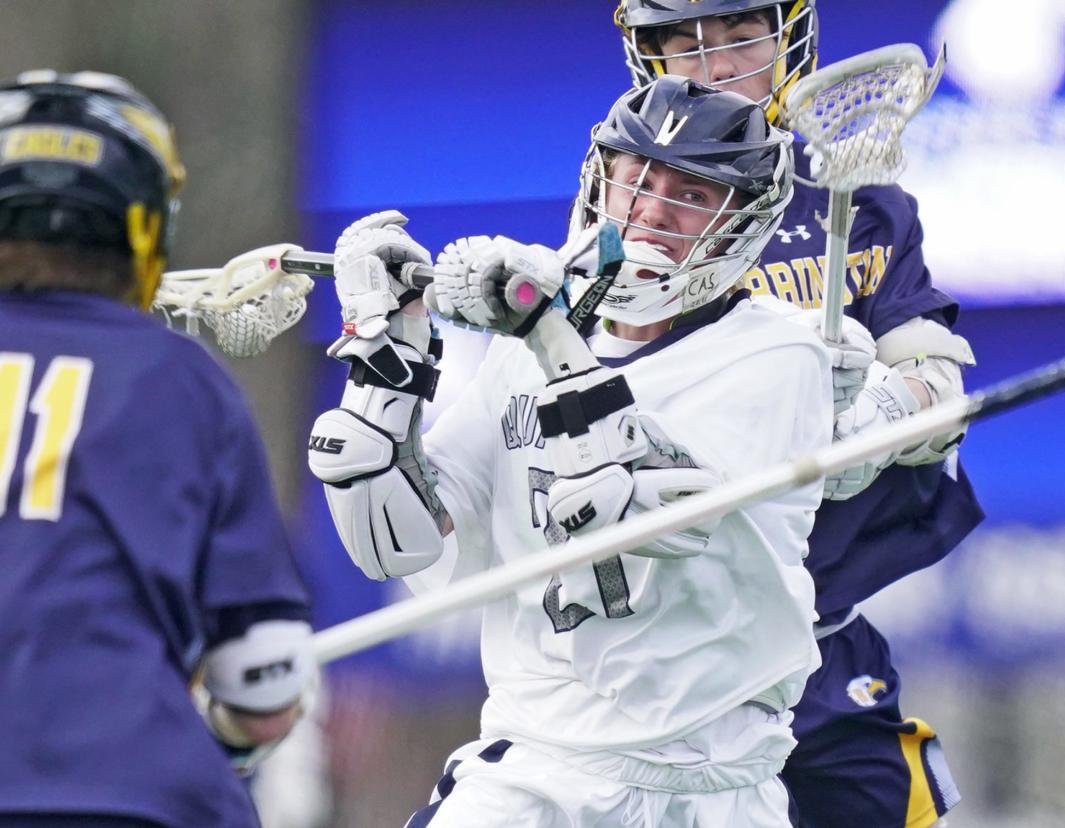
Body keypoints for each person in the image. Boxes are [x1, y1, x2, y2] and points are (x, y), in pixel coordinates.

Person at [308, 76, 841, 826]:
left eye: (689, 192)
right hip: (540, 770)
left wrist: (547, 332)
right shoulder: (523, 352)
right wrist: (386, 365)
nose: (650, 212)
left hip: (717, 788)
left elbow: (637, 511)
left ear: (739, 222)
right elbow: (404, 539)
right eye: (637, 180)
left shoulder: (779, 354)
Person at [615, 3, 986, 826]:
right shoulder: (640, 200)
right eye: (685, 45)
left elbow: (934, 375)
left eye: (740, 35)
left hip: (818, 632)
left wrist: (886, 419)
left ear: (789, 38)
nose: (714, 67)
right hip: (677, 649)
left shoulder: (860, 199)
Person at [0, 71, 315, 828]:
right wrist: (217, 750)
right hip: (134, 795)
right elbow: (264, 683)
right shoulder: (181, 380)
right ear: (142, 225)